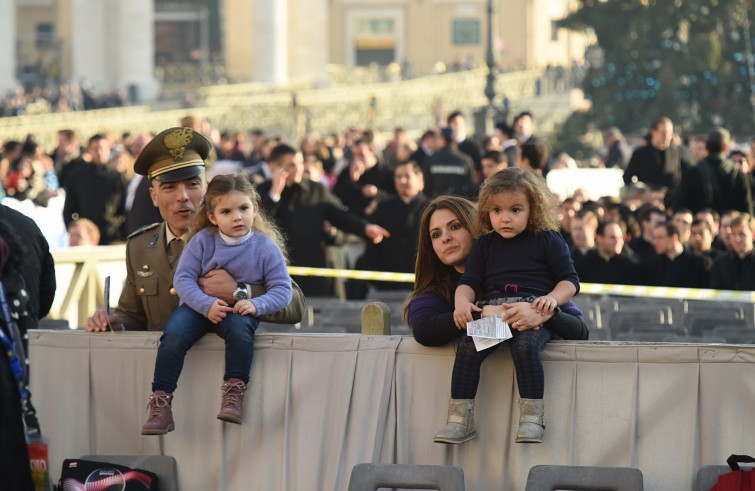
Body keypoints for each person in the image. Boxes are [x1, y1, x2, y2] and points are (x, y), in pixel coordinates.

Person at [85, 128, 304, 333]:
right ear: (154, 196)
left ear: (206, 188)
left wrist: (240, 292)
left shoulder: (242, 237)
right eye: (170, 187)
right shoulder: (140, 246)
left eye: (192, 184)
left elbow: (295, 304)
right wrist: (114, 321)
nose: (183, 196)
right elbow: (133, 316)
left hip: (228, 365)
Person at [141, 174, 292, 435]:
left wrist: (255, 305)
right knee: (174, 334)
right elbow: (184, 278)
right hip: (199, 306)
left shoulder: (265, 247)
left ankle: (234, 392)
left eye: (243, 208)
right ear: (212, 216)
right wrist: (205, 304)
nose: (237, 217)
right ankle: (161, 401)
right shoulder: (202, 241)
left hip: (238, 308)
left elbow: (283, 290)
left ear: (255, 209)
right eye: (226, 211)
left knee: (240, 331)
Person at [445, 168, 582, 445]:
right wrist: (461, 302)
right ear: (486, 211)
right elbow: (468, 281)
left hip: (535, 314)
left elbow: (569, 281)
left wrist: (552, 300)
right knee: (468, 346)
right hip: (497, 314)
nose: (504, 218)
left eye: (515, 209)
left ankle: (532, 418)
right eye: (496, 210)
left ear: (534, 208)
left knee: (524, 347)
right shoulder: (485, 245)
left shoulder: (548, 239)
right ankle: (459, 420)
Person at [257, 143, 390, 297]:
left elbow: (340, 216)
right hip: (278, 272)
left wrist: (365, 228)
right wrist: (274, 195)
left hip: (313, 269)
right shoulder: (262, 191)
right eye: (292, 165)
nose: (298, 169)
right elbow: (259, 222)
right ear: (276, 167)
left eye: (300, 163)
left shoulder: (316, 190)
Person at [62, 134, 127, 245]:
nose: (100, 152)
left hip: (113, 237)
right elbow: (69, 208)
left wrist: (117, 228)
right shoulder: (78, 176)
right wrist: (75, 230)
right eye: (96, 148)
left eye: (103, 148)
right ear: (89, 151)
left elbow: (124, 207)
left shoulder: (118, 177)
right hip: (86, 237)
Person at [676, 127, 753, 216]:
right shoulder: (738, 174)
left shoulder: (691, 173)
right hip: (731, 227)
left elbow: (681, 206)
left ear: (707, 147)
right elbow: (746, 210)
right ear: (726, 148)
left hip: (700, 226)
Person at [709, 213, 755, 291]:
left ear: (753, 235)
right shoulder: (720, 263)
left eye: (742, 234)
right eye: (733, 234)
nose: (737, 239)